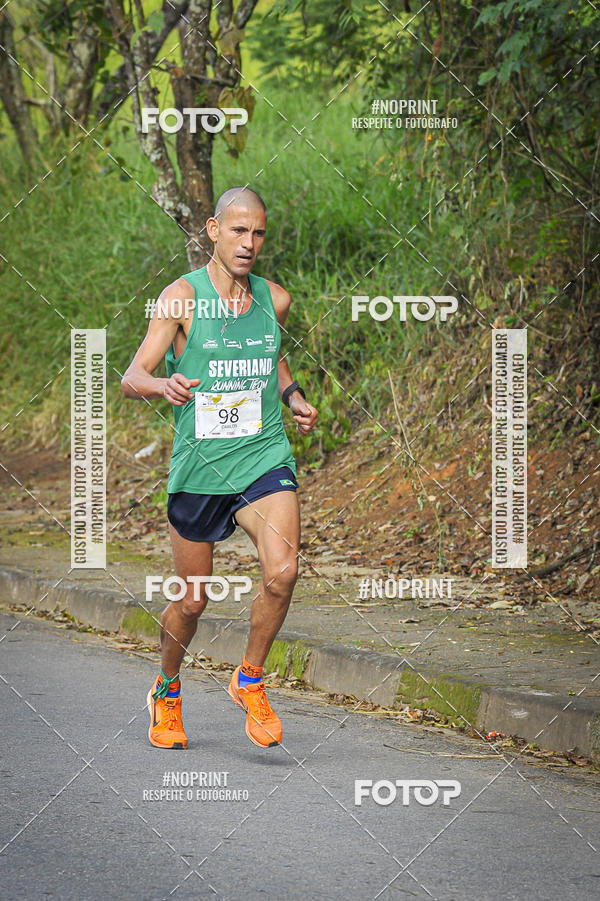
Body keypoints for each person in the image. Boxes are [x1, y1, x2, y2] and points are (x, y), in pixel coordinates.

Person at [122, 186, 318, 750]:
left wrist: (294, 396)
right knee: (192, 600)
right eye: (238, 231)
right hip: (200, 468)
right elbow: (132, 374)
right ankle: (167, 689)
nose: (249, 243)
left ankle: (250, 678)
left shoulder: (273, 299)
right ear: (213, 230)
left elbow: (272, 353)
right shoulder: (181, 298)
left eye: (258, 233)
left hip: (262, 457)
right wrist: (163, 383)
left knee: (283, 573)